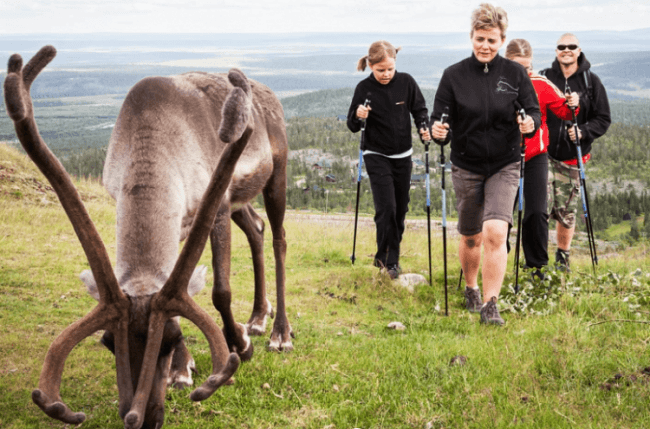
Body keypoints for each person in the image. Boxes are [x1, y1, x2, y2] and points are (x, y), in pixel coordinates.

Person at [430, 3, 541, 325]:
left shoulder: (515, 73)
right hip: (466, 164)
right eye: (480, 39)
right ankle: (470, 287)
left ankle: (491, 304)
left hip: (505, 164)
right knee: (470, 236)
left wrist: (529, 124)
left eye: (492, 40)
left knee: (495, 231)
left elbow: (532, 112)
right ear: (471, 37)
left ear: (502, 40)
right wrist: (439, 131)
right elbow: (441, 120)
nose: (485, 46)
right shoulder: (454, 75)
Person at [347, 40, 430, 280]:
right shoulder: (364, 88)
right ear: (371, 65)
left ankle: (389, 253)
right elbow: (353, 126)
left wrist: (424, 128)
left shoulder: (406, 82)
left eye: (390, 69)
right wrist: (358, 114)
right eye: (380, 70)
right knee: (387, 209)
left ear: (395, 64)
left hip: (403, 155)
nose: (386, 74)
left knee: (400, 209)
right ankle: (388, 261)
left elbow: (420, 110)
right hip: (376, 154)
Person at [504, 39, 580, 279]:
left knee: (537, 212)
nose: (524, 72)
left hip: (535, 155)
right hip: (503, 158)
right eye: (518, 67)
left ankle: (536, 267)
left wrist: (573, 105)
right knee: (502, 214)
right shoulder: (495, 84)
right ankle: (497, 258)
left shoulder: (540, 84)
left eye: (528, 67)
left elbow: (565, 111)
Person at [540, 33, 611, 271]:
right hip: (542, 154)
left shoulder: (591, 82)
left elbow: (603, 118)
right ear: (556, 50)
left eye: (572, 47)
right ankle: (537, 259)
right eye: (562, 46)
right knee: (538, 208)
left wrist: (583, 131)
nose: (566, 50)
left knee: (566, 211)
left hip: (573, 157)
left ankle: (562, 257)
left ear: (579, 50)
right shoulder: (545, 78)